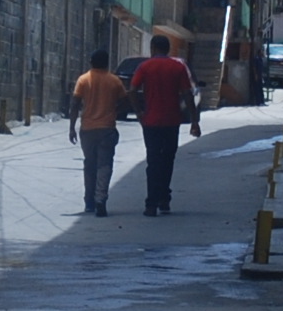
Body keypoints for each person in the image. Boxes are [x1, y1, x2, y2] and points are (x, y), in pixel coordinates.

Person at [128, 33, 200, 217]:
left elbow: (133, 89)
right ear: (168, 49)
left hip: (150, 122)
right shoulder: (177, 67)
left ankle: (151, 203)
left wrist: (139, 112)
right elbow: (187, 94)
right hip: (171, 121)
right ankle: (164, 198)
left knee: (153, 161)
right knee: (167, 160)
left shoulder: (144, 67)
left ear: (152, 48)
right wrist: (194, 121)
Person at [68, 46, 124, 216]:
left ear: (91, 62)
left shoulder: (83, 80)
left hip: (87, 129)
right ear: (107, 63)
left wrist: (71, 127)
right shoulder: (114, 81)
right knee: (104, 166)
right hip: (107, 129)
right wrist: (114, 110)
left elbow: (75, 104)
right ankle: (101, 199)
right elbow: (125, 101)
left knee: (89, 165)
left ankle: (89, 202)